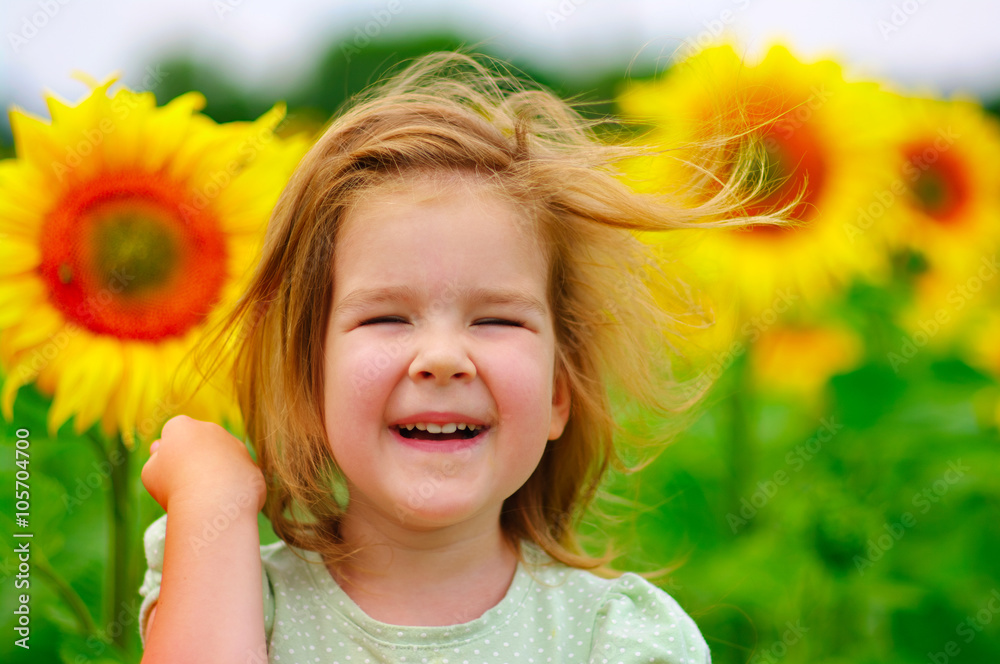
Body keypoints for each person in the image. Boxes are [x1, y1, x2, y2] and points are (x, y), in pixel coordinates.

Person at [137, 51, 783, 664]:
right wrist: (211, 497)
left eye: (497, 319)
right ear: (312, 381)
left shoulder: (616, 637)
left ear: (559, 390)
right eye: (387, 317)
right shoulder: (240, 593)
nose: (443, 358)